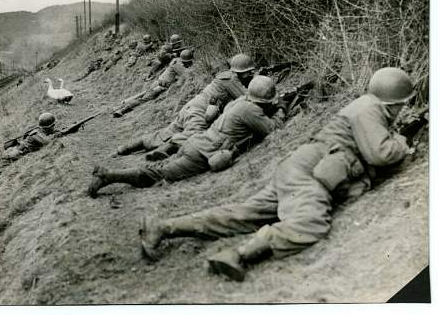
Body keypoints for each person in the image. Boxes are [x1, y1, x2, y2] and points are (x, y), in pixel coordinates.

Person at [138, 67, 416, 281]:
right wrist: (403, 144)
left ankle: (163, 227)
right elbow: (380, 154)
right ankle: (239, 254)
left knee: (243, 213)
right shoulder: (369, 109)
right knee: (311, 223)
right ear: (394, 102)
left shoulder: (366, 106)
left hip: (300, 167)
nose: (402, 109)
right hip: (310, 176)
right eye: (402, 105)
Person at [89, 75, 284, 198]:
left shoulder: (241, 101)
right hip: (203, 153)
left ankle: (112, 173)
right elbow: (272, 128)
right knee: (160, 175)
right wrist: (281, 109)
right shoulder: (250, 109)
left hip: (195, 143)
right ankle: (108, 176)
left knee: (158, 168)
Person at [115, 53, 259, 161]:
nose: (251, 75)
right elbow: (249, 98)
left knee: (166, 131)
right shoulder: (231, 79)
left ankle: (126, 148)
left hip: (191, 107)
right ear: (241, 71)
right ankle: (164, 149)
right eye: (249, 72)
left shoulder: (225, 76)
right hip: (200, 111)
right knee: (194, 135)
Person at [0, 113, 59, 200]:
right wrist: (59, 134)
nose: (54, 127)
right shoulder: (37, 134)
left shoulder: (36, 130)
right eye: (53, 125)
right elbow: (47, 142)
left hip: (13, 151)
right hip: (13, 155)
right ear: (49, 126)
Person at [113, 49, 194, 118]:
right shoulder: (179, 65)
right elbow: (188, 74)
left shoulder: (175, 60)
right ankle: (122, 109)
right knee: (143, 99)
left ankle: (122, 104)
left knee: (142, 94)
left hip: (156, 82)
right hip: (160, 86)